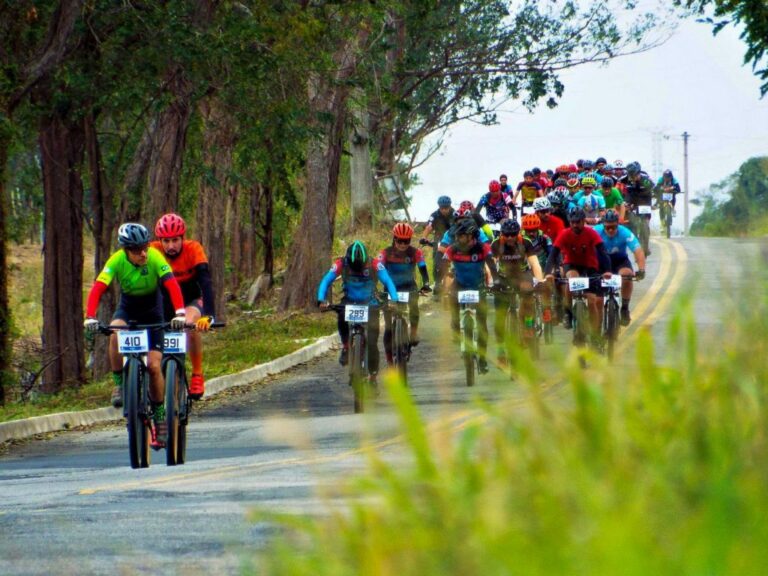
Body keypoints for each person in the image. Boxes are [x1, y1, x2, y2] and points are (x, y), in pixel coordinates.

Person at [84, 223, 186, 449]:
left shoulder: (155, 258)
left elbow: (172, 285)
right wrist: (90, 316)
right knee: (114, 333)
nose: (143, 253)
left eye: (145, 247)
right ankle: (120, 384)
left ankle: (159, 416)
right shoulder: (116, 261)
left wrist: (179, 312)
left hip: (153, 310)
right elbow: (99, 287)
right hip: (129, 308)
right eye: (137, 250)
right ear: (126, 250)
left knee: (153, 366)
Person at [151, 213, 216, 400]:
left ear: (183, 238)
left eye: (175, 240)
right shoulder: (152, 251)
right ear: (159, 241)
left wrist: (209, 315)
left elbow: (206, 283)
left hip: (190, 300)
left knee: (189, 324)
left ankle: (197, 373)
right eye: (166, 241)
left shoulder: (194, 249)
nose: (171, 246)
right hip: (164, 302)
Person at [317, 241, 398, 386]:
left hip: (370, 303)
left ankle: (373, 377)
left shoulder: (374, 263)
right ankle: (346, 346)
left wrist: (394, 299)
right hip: (349, 301)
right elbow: (326, 280)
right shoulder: (341, 263)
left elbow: (387, 280)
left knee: (372, 343)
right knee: (341, 316)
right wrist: (321, 299)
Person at [544, 208, 611, 343]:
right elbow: (553, 254)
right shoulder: (564, 234)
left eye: (578, 222)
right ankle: (568, 312)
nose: (575, 225)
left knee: (592, 301)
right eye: (572, 222)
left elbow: (603, 252)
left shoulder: (591, 233)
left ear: (583, 221)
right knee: (571, 280)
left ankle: (595, 333)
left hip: (590, 266)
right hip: (572, 264)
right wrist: (547, 274)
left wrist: (607, 270)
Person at [443, 218, 500, 373]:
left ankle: (482, 359)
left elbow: (492, 266)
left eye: (461, 235)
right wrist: (442, 285)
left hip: (478, 286)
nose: (458, 238)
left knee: (482, 325)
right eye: (457, 235)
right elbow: (443, 266)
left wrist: (496, 281)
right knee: (451, 298)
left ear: (471, 235)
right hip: (459, 285)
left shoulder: (483, 248)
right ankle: (455, 324)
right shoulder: (453, 249)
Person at [491, 218, 545, 366]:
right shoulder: (497, 243)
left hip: (522, 274)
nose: (509, 238)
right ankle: (501, 351)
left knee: (528, 293)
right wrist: (491, 282)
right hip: (503, 276)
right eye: (506, 235)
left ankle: (528, 325)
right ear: (502, 234)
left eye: (512, 234)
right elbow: (490, 264)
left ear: (518, 233)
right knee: (499, 318)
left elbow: (534, 263)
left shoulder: (525, 242)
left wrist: (539, 281)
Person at [377, 223, 431, 364]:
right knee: (388, 328)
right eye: (399, 241)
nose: (402, 244)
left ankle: (413, 332)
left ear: (410, 240)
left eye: (406, 241)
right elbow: (377, 268)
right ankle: (389, 360)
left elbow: (423, 269)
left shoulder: (415, 252)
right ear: (394, 239)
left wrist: (425, 283)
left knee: (414, 308)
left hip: (409, 288)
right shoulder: (385, 253)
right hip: (390, 290)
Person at [592, 210, 646, 326]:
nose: (610, 230)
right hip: (601, 264)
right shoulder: (595, 231)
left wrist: (641, 269)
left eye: (613, 227)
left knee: (628, 275)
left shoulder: (625, 232)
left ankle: (625, 308)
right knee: (598, 300)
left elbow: (638, 251)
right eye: (607, 228)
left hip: (619, 262)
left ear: (618, 225)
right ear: (603, 225)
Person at [421, 195, 455, 297]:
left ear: (450, 206)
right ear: (439, 207)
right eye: (442, 208)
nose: (444, 210)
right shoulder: (434, 215)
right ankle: (437, 282)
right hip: (439, 238)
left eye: (446, 208)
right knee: (437, 259)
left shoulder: (455, 213)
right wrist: (424, 237)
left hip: (453, 238)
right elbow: (429, 227)